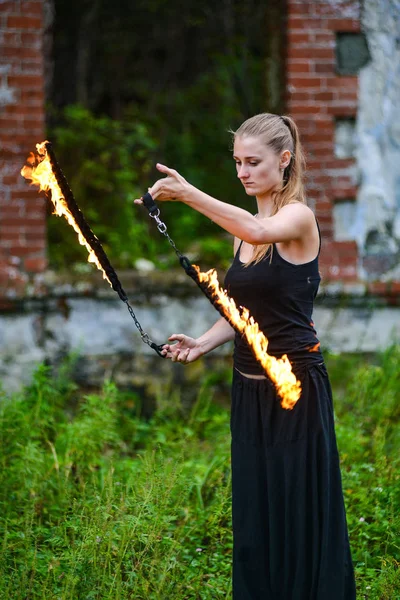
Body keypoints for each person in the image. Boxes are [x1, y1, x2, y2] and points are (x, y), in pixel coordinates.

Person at [135, 113, 356, 600]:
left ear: (284, 159)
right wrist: (201, 342)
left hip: (294, 389)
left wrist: (188, 194)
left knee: (297, 506)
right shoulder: (244, 229)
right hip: (249, 391)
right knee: (258, 509)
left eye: (253, 162)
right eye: (237, 162)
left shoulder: (296, 218)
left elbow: (260, 234)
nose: (243, 172)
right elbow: (242, 311)